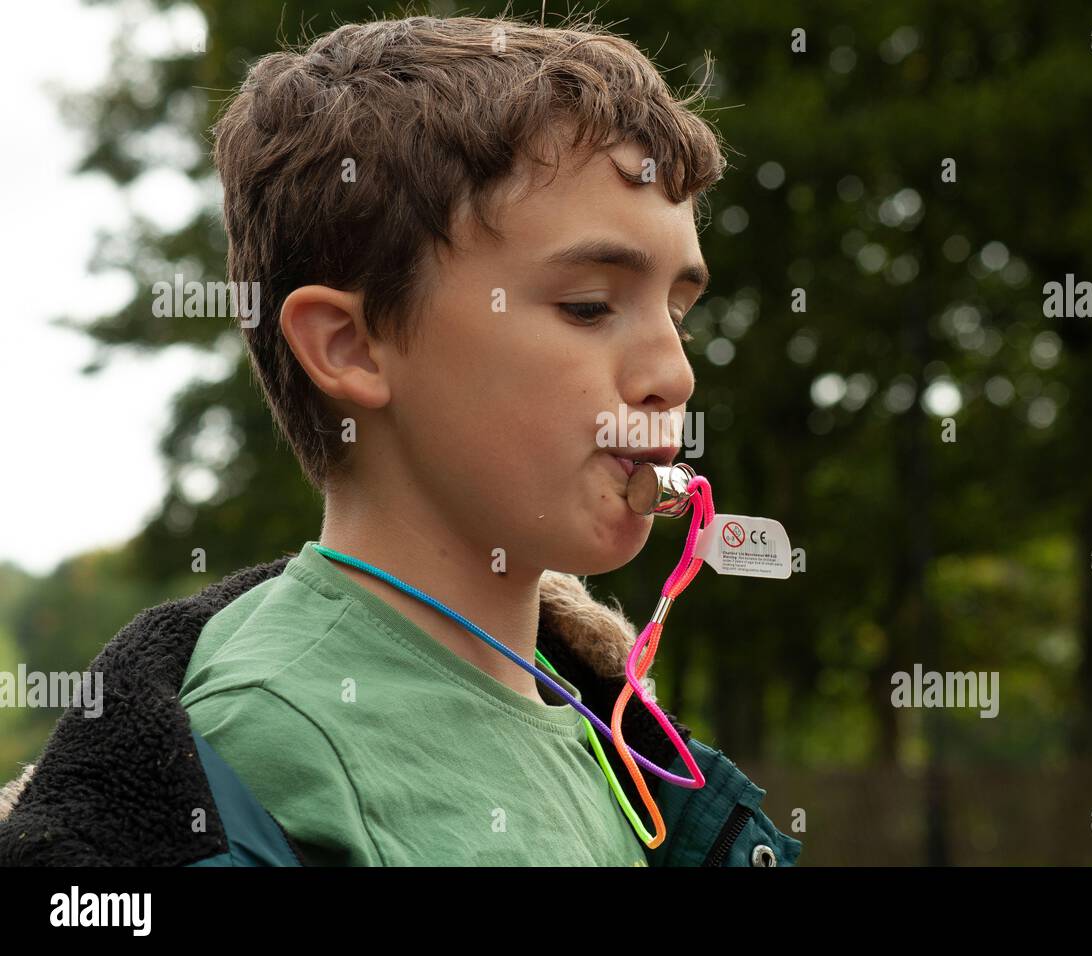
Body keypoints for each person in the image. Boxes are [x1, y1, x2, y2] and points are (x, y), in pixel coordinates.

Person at [0, 13, 801, 867]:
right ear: (350, 345)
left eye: (677, 312)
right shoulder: (262, 744)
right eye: (588, 306)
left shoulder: (617, 744)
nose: (673, 376)